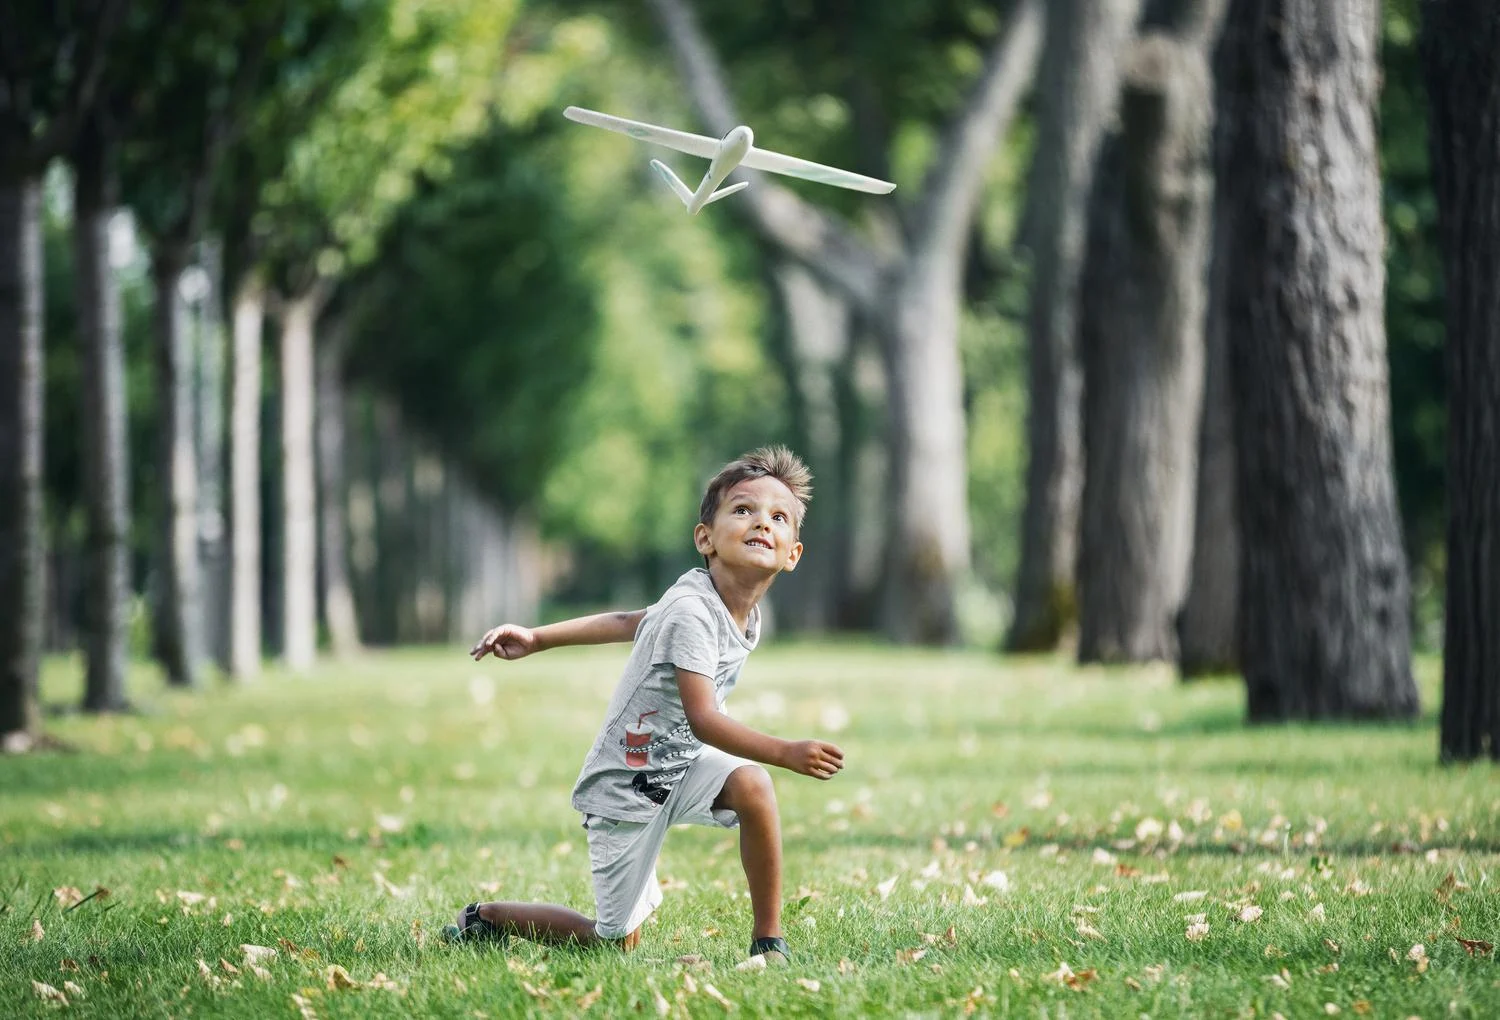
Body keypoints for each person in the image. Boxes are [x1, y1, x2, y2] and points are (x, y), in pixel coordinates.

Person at [441, 446, 844, 964]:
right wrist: (785, 751)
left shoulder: (731, 609)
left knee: (752, 786)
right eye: (743, 509)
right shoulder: (692, 611)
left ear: (792, 553)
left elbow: (631, 620)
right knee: (611, 942)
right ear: (706, 538)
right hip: (626, 785)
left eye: (778, 517)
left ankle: (769, 942)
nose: (761, 522)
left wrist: (538, 639)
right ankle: (487, 917)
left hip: (678, 765)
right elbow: (704, 720)